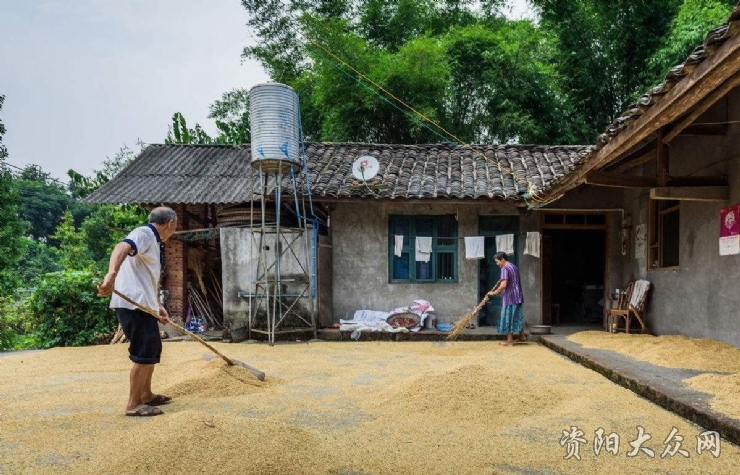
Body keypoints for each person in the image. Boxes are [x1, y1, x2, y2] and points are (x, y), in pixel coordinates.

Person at [97, 207, 178, 416]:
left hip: (144, 304)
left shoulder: (152, 240)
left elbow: (145, 278)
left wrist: (157, 305)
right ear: (170, 224)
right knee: (143, 352)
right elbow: (121, 247)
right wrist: (111, 274)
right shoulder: (144, 233)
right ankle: (133, 405)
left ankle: (146, 395)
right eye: (175, 227)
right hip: (133, 305)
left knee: (151, 349)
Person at [487, 251, 526, 346]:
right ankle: (522, 336)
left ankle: (510, 340)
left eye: (497, 261)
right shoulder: (514, 267)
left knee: (508, 317)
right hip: (518, 295)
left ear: (503, 259)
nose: (497, 264)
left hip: (510, 297)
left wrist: (494, 292)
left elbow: (503, 285)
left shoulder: (504, 269)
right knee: (517, 316)